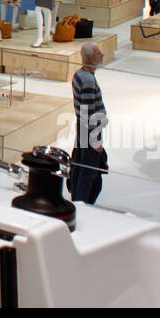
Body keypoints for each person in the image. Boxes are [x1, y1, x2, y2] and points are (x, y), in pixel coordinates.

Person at [68, 42, 108, 204]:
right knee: (88, 170)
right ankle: (82, 202)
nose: (102, 55)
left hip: (84, 128)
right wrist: (95, 140)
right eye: (99, 53)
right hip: (90, 130)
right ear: (90, 57)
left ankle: (77, 198)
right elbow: (88, 113)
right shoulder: (88, 81)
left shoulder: (79, 75)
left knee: (79, 163)